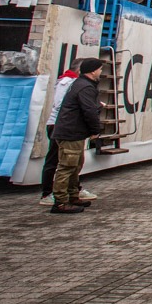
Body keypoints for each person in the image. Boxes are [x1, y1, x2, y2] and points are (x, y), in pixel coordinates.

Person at [39, 61, 99, 207]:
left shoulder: (76, 83)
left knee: (73, 164)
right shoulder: (70, 83)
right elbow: (61, 104)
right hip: (65, 127)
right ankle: (53, 196)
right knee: (62, 163)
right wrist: (94, 128)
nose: (100, 72)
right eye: (99, 69)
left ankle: (72, 194)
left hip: (69, 128)